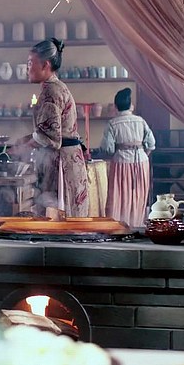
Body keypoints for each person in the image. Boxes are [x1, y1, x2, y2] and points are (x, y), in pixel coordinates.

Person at [14, 38, 89, 216]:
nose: (27, 68)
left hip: (62, 164)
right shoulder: (56, 87)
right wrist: (25, 139)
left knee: (59, 218)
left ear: (45, 65)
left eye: (30, 63)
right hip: (68, 159)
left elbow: (50, 138)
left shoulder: (51, 91)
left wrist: (22, 148)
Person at [100, 88, 156, 227]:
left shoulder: (112, 123)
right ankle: (137, 223)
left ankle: (119, 225)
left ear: (116, 106)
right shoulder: (141, 121)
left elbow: (108, 149)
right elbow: (151, 143)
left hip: (121, 162)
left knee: (120, 195)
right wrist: (143, 154)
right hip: (141, 162)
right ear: (131, 105)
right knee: (139, 194)